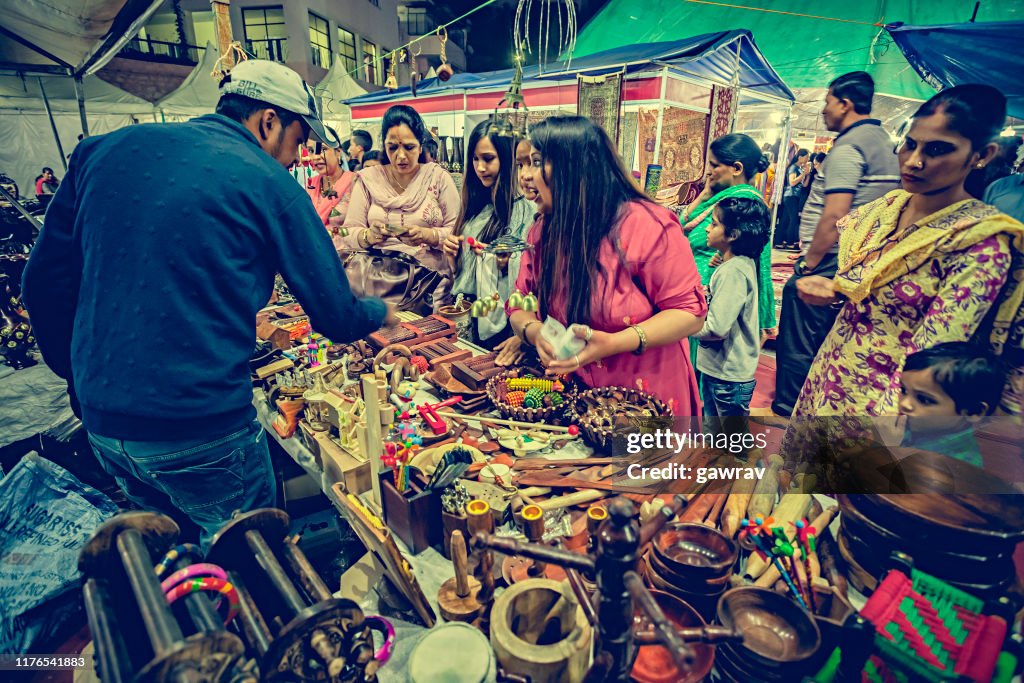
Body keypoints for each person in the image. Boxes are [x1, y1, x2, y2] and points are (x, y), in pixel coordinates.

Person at [21, 60, 393, 545]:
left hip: (103, 424)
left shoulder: (100, 152)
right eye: (300, 141)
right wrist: (382, 312)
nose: (297, 157)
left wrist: (79, 376)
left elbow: (41, 283)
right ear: (268, 121)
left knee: (173, 562)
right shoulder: (267, 179)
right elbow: (337, 316)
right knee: (254, 569)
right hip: (201, 427)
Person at [787, 84, 1024, 423]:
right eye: (910, 145)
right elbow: (873, 294)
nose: (914, 161)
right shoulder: (885, 210)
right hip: (831, 372)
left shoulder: (981, 243)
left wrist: (891, 432)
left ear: (981, 155)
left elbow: (932, 355)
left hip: (888, 402)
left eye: (938, 149)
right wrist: (837, 294)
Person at [508, 116, 707, 415]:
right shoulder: (544, 231)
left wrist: (615, 342)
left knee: (643, 462)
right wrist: (534, 332)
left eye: (536, 162)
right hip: (580, 397)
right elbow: (518, 303)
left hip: (647, 401)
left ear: (573, 167)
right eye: (523, 165)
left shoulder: (646, 226)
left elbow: (690, 314)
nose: (526, 176)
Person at [772, 72, 901, 417]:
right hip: (861, 257)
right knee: (827, 332)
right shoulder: (882, 140)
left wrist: (809, 264)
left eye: (827, 102)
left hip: (833, 256)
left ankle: (788, 406)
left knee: (798, 328)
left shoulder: (849, 146)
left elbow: (835, 215)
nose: (824, 111)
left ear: (845, 104)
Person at [679, 133, 776, 375]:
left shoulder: (743, 206)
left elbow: (760, 263)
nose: (708, 172)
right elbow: (681, 226)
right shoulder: (721, 200)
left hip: (712, 304)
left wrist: (764, 320)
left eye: (714, 165)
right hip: (695, 297)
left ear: (736, 168)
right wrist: (704, 194)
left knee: (704, 381)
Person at [441, 121, 534, 358]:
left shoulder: (523, 210)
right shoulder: (475, 206)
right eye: (475, 159)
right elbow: (461, 275)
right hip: (470, 315)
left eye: (488, 158)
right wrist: (453, 256)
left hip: (504, 325)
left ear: (506, 159)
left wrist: (501, 263)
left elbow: (531, 279)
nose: (480, 167)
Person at [340, 105, 460, 275]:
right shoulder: (368, 180)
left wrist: (428, 235)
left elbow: (457, 233)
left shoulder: (438, 178)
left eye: (409, 147)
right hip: (377, 281)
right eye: (393, 147)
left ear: (420, 145)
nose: (401, 155)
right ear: (384, 146)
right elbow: (349, 232)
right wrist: (368, 235)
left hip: (429, 283)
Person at [694, 196, 771, 418]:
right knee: (717, 434)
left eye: (715, 224)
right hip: (720, 371)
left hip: (727, 376)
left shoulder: (733, 272)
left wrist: (684, 328)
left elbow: (717, 328)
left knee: (730, 439)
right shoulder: (736, 264)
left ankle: (747, 455)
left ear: (733, 235)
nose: (708, 229)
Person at [896, 343, 1006, 467]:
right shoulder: (919, 426)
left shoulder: (958, 467)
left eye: (924, 399)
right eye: (904, 390)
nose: (904, 404)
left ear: (973, 411)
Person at [306, 128, 356, 248]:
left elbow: (358, 229)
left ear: (338, 152)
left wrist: (331, 234)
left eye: (323, 149)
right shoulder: (311, 185)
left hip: (345, 258)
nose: (316, 157)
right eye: (311, 151)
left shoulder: (355, 183)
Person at [775, 149, 810, 250]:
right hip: (790, 196)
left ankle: (779, 241)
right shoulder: (793, 167)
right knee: (793, 219)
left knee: (785, 219)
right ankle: (789, 242)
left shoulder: (799, 168)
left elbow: (804, 185)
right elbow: (792, 182)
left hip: (794, 196)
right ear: (800, 157)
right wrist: (803, 174)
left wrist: (807, 174)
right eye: (806, 157)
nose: (807, 159)